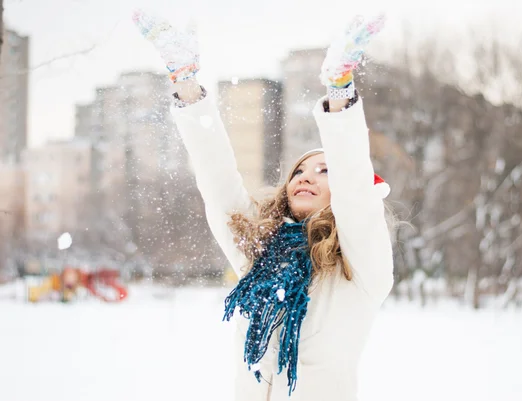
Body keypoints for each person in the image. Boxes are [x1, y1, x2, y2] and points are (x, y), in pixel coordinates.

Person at [133, 10, 394, 401]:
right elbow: (217, 181)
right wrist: (185, 83)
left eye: (325, 170)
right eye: (300, 171)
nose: (305, 176)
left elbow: (356, 194)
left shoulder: (359, 272)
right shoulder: (260, 258)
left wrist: (339, 88)